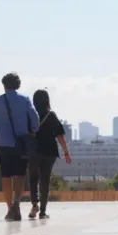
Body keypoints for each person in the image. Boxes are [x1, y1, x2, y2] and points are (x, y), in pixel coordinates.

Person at [0, 72, 40, 221]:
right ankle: (17, 203)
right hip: (21, 144)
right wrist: (33, 130)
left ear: (4, 85)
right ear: (18, 85)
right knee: (20, 175)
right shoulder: (25, 100)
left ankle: (10, 208)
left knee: (6, 176)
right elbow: (35, 120)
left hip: (3, 144)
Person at [28, 89, 72, 219]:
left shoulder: (30, 114)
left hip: (33, 151)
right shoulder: (51, 115)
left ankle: (34, 204)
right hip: (49, 152)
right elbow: (60, 135)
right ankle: (43, 211)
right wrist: (66, 152)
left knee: (33, 179)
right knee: (45, 180)